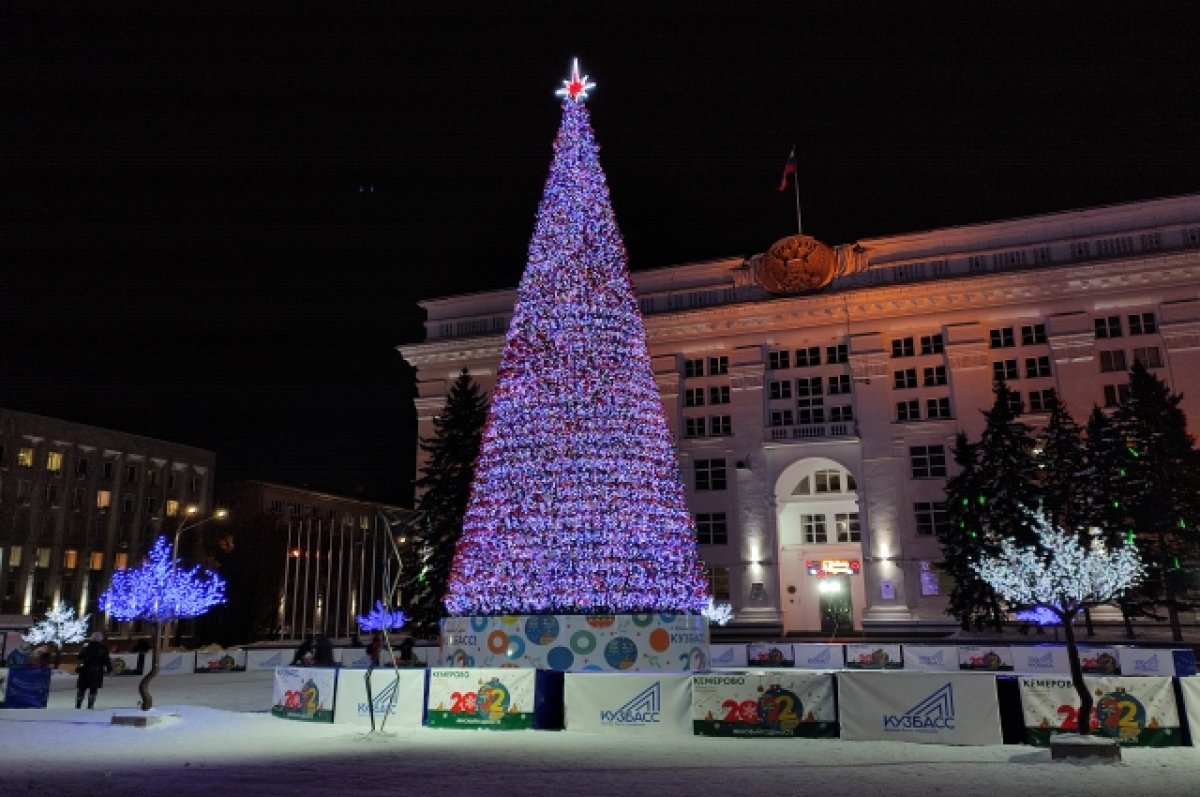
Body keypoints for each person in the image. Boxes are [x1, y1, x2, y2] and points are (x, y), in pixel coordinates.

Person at [76, 632, 113, 709]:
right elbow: (106, 660)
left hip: (84, 670)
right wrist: (109, 669)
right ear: (100, 639)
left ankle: (78, 704)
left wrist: (80, 666)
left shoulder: (86, 647)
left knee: (82, 688)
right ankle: (90, 704)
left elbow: (79, 657)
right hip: (96, 671)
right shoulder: (103, 648)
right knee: (93, 688)